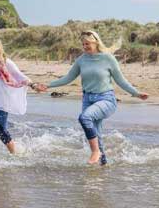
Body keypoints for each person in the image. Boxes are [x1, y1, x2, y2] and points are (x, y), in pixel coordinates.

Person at [35, 30, 148, 165]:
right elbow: (68, 78)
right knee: (97, 136)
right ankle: (102, 169)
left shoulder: (108, 58)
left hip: (106, 99)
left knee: (85, 117)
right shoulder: (82, 60)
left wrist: (136, 93)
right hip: (87, 100)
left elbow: (121, 80)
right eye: (83, 44)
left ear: (95, 42)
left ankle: (95, 152)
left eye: (87, 43)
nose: (85, 47)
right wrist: (48, 85)